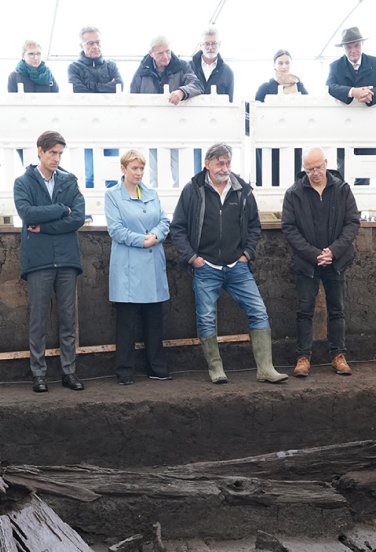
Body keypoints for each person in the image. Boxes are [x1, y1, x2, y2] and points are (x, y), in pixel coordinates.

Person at [169, 142, 286, 385]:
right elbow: (177, 228)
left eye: (228, 162)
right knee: (206, 317)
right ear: (207, 164)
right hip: (205, 267)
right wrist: (192, 258)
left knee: (259, 311)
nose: (225, 167)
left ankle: (265, 368)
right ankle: (216, 368)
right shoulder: (193, 189)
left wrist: (247, 254)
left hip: (237, 266)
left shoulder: (242, 190)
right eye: (220, 162)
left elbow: (254, 226)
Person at [14, 131, 86, 393]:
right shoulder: (23, 182)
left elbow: (78, 217)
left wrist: (43, 228)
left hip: (66, 259)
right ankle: (39, 373)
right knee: (38, 319)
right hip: (39, 261)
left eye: (60, 153)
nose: (56, 158)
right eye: (52, 152)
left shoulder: (69, 181)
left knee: (68, 319)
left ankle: (69, 372)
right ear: (40, 151)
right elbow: (27, 213)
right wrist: (59, 209)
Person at [281, 148, 360, 378]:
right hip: (307, 263)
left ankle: (338, 355)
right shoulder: (294, 193)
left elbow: (352, 222)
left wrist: (333, 252)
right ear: (303, 168)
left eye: (319, 168)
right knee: (304, 311)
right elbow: (289, 228)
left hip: (336, 261)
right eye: (310, 169)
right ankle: (303, 357)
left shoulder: (342, 189)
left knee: (337, 309)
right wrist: (314, 254)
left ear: (326, 163)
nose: (315, 173)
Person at [104, 151, 172, 384]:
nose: (139, 173)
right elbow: (115, 229)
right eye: (134, 168)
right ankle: (124, 371)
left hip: (152, 263)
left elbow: (164, 221)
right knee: (127, 322)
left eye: (142, 169)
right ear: (123, 169)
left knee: (154, 319)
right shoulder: (113, 196)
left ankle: (157, 367)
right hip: (128, 266)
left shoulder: (152, 194)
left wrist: (156, 235)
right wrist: (142, 240)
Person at [131, 37, 204, 187]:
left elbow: (197, 84)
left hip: (178, 128)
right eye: (160, 53)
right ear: (151, 54)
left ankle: (181, 207)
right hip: (151, 129)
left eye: (168, 51)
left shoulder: (182, 65)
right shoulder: (141, 71)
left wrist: (182, 91)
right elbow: (132, 98)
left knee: (181, 173)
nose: (165, 56)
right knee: (153, 173)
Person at [326, 28, 376, 184]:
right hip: (344, 127)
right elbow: (329, 87)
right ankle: (342, 206)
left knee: (364, 171)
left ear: (362, 44)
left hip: (369, 127)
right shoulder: (335, 66)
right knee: (342, 171)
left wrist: (369, 94)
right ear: (343, 49)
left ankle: (359, 208)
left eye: (356, 46)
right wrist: (352, 92)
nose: (353, 50)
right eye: (348, 47)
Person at [69, 27, 123, 189]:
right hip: (86, 126)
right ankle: (89, 213)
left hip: (110, 124)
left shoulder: (111, 65)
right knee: (89, 174)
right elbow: (78, 90)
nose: (95, 46)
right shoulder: (74, 67)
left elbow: (119, 86)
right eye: (90, 43)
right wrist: (106, 86)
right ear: (81, 45)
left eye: (97, 42)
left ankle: (112, 212)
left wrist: (92, 87)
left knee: (112, 173)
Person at [255, 51, 306, 186]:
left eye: (287, 62)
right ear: (274, 65)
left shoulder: (299, 85)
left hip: (292, 136)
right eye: (280, 63)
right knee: (269, 174)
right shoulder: (265, 87)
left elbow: (308, 107)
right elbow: (254, 110)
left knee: (292, 172)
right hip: (269, 137)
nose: (284, 66)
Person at [190, 27, 234, 100]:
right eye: (206, 44)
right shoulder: (188, 68)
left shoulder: (228, 72)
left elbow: (229, 103)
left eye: (214, 43)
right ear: (201, 45)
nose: (210, 47)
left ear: (219, 44)